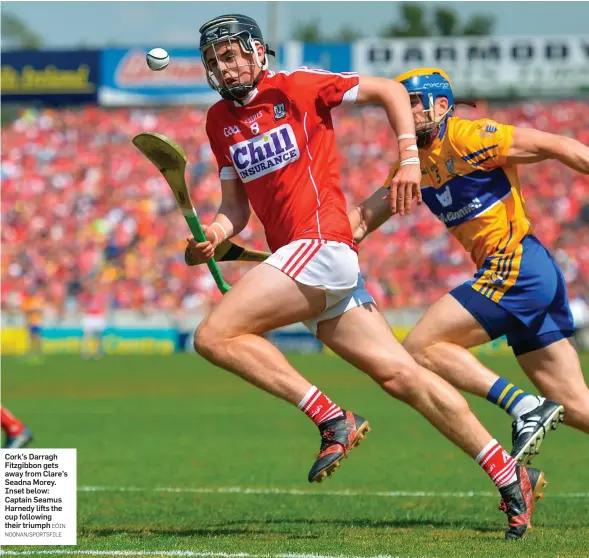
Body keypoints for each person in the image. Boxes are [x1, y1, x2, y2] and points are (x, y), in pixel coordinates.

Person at [187, 15, 546, 539]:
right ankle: (508, 472)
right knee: (404, 377)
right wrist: (214, 237)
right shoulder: (218, 122)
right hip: (302, 262)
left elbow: (386, 91)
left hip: (324, 247)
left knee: (214, 334)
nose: (225, 66)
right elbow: (233, 209)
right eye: (216, 59)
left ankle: (331, 418)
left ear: (257, 52)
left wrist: (407, 160)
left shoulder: (298, 86)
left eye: (233, 54)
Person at [349, 68, 589, 455]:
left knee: (422, 347)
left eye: (410, 102)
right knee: (577, 406)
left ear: (440, 105)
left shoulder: (470, 136)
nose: (401, 112)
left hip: (516, 267)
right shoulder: (412, 167)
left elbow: (557, 144)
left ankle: (522, 405)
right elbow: (360, 222)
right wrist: (302, 247)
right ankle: (530, 406)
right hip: (526, 274)